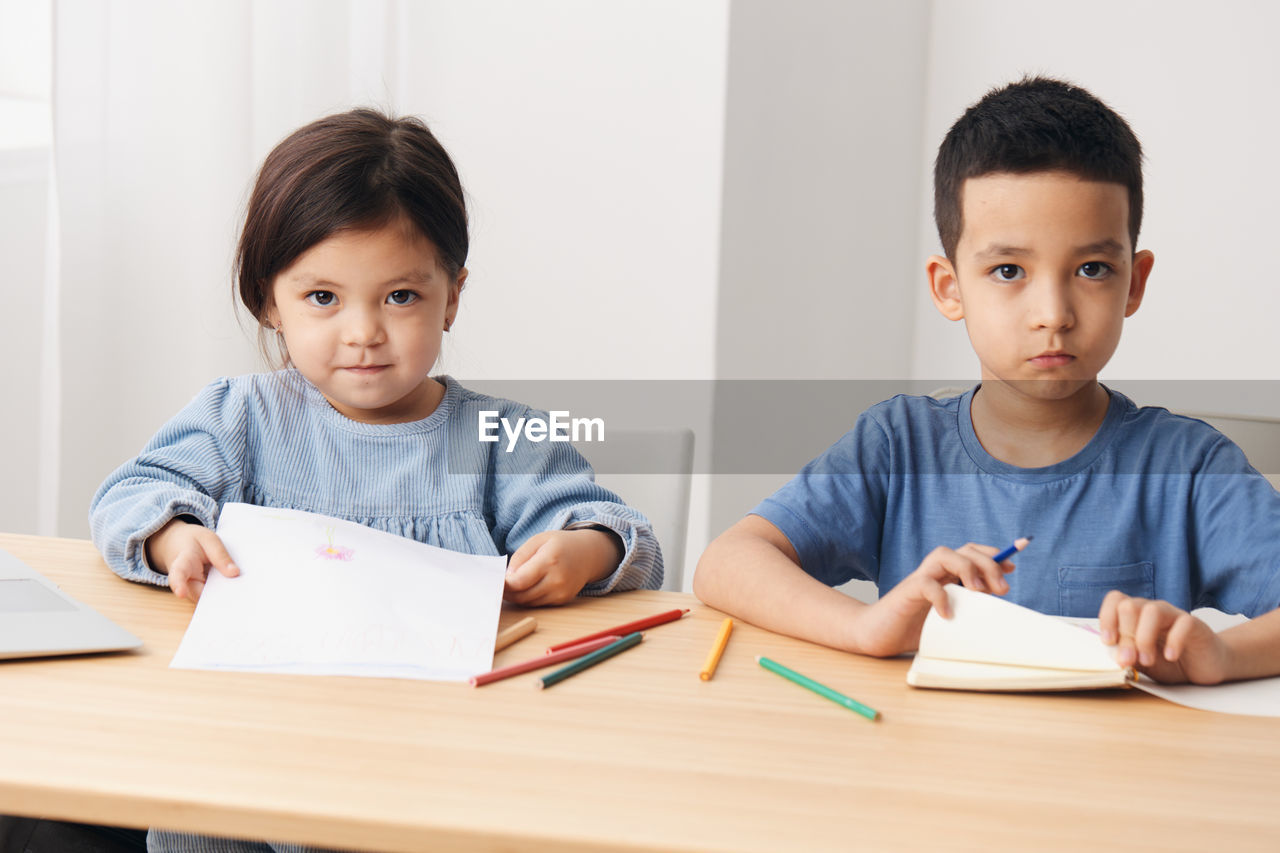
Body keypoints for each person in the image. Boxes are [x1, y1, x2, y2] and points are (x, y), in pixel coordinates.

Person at [90, 108, 662, 853]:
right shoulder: (242, 418)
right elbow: (126, 497)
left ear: (451, 296)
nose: (363, 331)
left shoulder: (497, 438)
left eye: (400, 296)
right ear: (271, 300)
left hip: (432, 775)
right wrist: (173, 538)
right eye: (322, 297)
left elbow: (623, 534)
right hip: (241, 763)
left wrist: (582, 550)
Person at [693, 76, 1280, 686]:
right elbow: (726, 563)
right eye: (1008, 270)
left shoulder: (1187, 467)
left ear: (1134, 281)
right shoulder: (898, 445)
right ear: (950, 288)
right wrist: (870, 627)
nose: (1053, 312)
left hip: (1117, 774)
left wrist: (1223, 654)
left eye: (1092, 268)